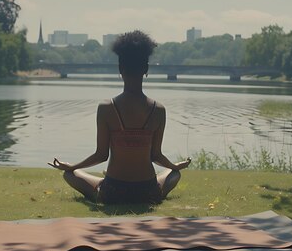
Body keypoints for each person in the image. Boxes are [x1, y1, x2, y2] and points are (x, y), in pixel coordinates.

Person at [49, 30, 191, 204]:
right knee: (174, 174)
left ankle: (97, 182)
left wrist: (73, 167)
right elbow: (156, 156)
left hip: (113, 192)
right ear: (146, 69)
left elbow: (101, 155)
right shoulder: (158, 110)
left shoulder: (106, 108)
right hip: (148, 192)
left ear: (120, 70)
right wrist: (174, 166)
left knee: (70, 175)